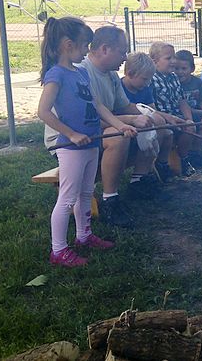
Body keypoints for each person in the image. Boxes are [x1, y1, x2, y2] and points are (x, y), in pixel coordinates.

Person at [45, 26, 170, 227]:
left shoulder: (111, 75)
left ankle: (139, 182)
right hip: (69, 139)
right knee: (117, 136)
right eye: (122, 51)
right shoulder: (82, 72)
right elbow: (88, 117)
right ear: (105, 49)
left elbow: (124, 106)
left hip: (94, 133)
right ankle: (110, 200)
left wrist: (155, 116)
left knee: (155, 123)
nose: (125, 57)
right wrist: (129, 121)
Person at [37, 17, 129, 267]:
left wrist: (119, 125)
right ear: (68, 45)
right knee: (67, 198)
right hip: (72, 147)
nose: (87, 50)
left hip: (90, 143)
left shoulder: (80, 72)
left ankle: (84, 236)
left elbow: (97, 105)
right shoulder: (56, 75)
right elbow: (43, 111)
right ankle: (58, 250)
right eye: (84, 45)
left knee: (86, 193)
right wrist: (72, 134)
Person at [121, 52, 187, 182]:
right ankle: (141, 174)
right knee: (158, 127)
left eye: (149, 80)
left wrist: (168, 117)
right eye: (144, 79)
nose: (147, 83)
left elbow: (152, 110)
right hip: (130, 126)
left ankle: (161, 165)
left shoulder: (144, 88)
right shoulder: (120, 88)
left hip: (147, 125)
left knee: (168, 133)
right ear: (130, 74)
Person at [149, 42, 198, 176]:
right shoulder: (151, 79)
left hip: (176, 116)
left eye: (174, 57)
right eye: (168, 58)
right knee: (169, 133)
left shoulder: (174, 77)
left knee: (190, 127)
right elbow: (149, 107)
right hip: (162, 119)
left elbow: (182, 101)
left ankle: (184, 159)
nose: (173, 61)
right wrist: (166, 118)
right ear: (155, 61)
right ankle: (161, 164)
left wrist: (188, 119)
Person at [173, 50, 202, 161]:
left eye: (184, 69)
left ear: (192, 69)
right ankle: (196, 151)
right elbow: (179, 104)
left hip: (196, 110)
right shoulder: (174, 83)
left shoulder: (197, 82)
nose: (180, 72)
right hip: (182, 113)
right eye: (177, 68)